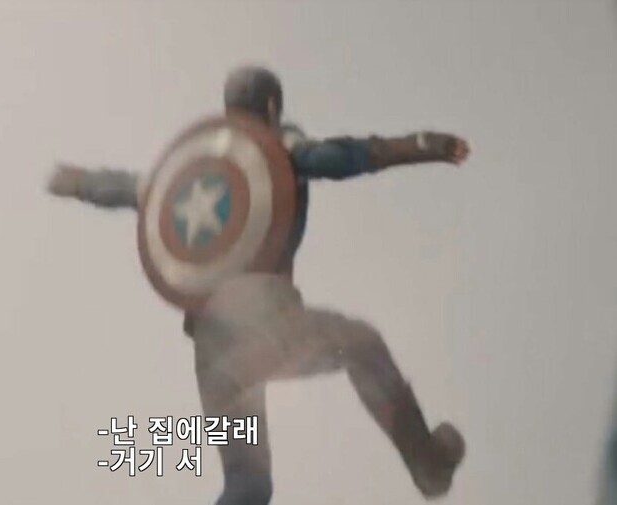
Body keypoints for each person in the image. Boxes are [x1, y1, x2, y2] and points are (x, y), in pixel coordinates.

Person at [47, 66, 470, 504]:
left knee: (248, 486)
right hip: (266, 326)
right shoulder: (275, 146)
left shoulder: (190, 170)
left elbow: (124, 188)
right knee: (362, 345)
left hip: (214, 359)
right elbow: (336, 158)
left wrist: (71, 180)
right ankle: (427, 464)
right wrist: (422, 145)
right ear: (271, 107)